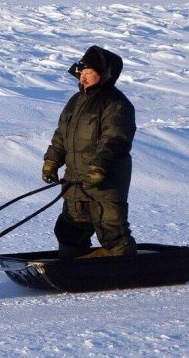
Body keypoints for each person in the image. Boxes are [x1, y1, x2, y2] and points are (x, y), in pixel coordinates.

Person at [41, 46, 137, 258]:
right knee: (70, 230)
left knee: (111, 231)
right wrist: (51, 162)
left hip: (105, 182)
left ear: (104, 75)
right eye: (81, 73)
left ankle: (127, 269)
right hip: (75, 181)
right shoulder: (76, 102)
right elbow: (61, 136)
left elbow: (114, 139)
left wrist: (98, 167)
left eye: (89, 73)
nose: (83, 78)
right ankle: (73, 270)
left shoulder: (116, 104)